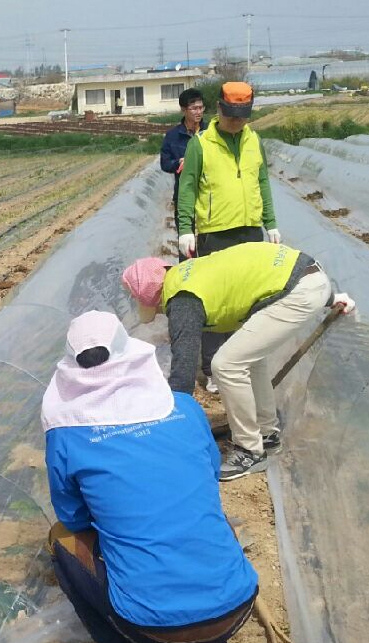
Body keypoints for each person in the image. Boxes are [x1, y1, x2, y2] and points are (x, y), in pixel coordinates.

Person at [43, 311, 259, 643]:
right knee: (198, 512)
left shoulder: (67, 431)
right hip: (235, 607)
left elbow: (72, 517)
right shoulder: (183, 407)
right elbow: (209, 473)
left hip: (149, 623)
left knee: (61, 539)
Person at [122, 244, 355, 481]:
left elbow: (183, 375)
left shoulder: (181, 299)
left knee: (226, 365)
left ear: (154, 298)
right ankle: (266, 434)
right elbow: (262, 274)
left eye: (159, 310)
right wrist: (328, 296)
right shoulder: (187, 274)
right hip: (307, 277)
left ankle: (249, 450)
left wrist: (169, 425)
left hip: (299, 290)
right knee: (248, 358)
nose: (164, 313)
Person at [174, 82, 281, 392]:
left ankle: (245, 364)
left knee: (251, 302)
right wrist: (185, 229)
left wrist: (270, 223)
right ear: (218, 109)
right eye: (231, 115)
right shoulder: (200, 144)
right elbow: (188, 188)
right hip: (215, 232)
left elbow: (262, 183)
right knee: (216, 303)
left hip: (250, 231)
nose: (236, 122)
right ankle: (211, 369)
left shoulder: (254, 141)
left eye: (242, 117)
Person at [157, 87, 205, 232]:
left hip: (208, 194)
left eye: (201, 107)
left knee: (209, 242)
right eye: (194, 108)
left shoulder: (211, 131)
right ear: (184, 110)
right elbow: (165, 163)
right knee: (186, 240)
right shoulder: (173, 135)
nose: (199, 112)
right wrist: (179, 162)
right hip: (184, 194)